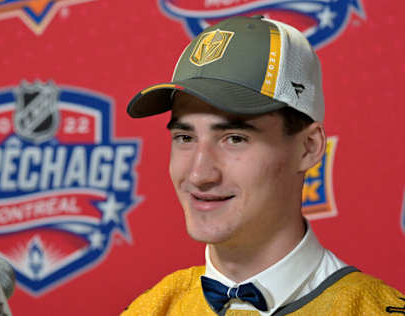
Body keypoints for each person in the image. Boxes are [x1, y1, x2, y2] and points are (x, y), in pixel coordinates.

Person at [121, 16, 404, 316]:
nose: (198, 174)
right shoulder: (151, 309)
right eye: (185, 136)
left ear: (309, 147)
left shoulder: (369, 309)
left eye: (235, 138)